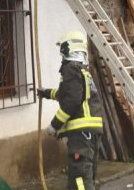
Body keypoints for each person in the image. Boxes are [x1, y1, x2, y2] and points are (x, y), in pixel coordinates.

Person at [37, 31, 104, 190]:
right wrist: (46, 93)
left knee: (79, 177)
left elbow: (71, 102)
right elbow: (66, 95)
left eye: (63, 48)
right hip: (90, 132)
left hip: (81, 134)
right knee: (86, 175)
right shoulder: (82, 70)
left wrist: (54, 125)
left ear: (70, 48)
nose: (61, 52)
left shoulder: (70, 68)